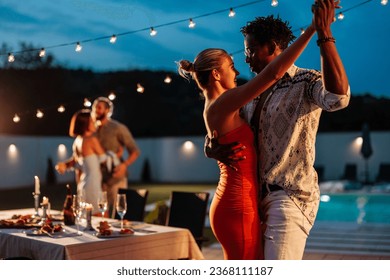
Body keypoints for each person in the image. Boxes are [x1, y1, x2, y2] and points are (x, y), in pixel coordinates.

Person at [205, 0, 350, 259]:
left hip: (289, 198)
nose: (245, 58)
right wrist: (212, 146)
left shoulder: (306, 80)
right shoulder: (248, 93)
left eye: (250, 50)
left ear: (271, 47)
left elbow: (338, 98)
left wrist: (324, 35)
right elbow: (229, 129)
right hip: (252, 201)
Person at [178, 7, 317, 259]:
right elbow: (274, 73)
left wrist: (209, 148)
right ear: (217, 74)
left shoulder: (224, 105)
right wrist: (312, 30)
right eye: (231, 66)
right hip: (237, 202)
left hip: (239, 199)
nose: (238, 71)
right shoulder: (225, 102)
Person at [91, 97, 140, 218]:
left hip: (116, 178)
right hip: (99, 180)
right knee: (101, 216)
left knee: (118, 215)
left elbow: (135, 151)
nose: (96, 110)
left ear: (107, 110)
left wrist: (124, 165)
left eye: (99, 107)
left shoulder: (117, 128)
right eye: (94, 107)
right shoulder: (92, 130)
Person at [57, 109, 106, 214]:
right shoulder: (91, 140)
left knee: (87, 221)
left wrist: (65, 165)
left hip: (83, 185)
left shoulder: (78, 141)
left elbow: (75, 161)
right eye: (92, 121)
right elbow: (105, 160)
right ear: (86, 124)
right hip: (93, 186)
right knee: (102, 219)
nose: (95, 123)